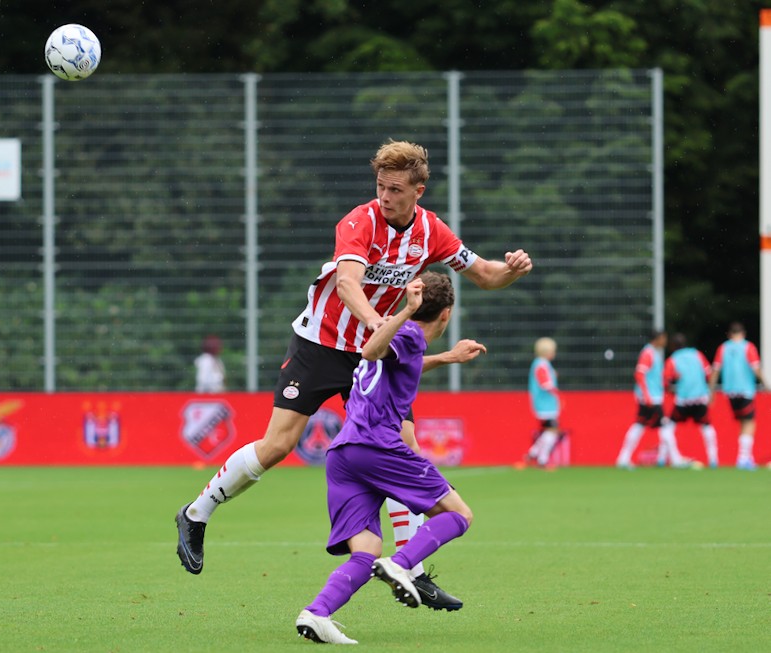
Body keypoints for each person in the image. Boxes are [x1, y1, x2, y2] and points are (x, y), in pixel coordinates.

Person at [175, 139, 531, 609]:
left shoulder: (432, 232)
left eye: (396, 189)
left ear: (419, 190)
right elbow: (346, 283)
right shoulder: (359, 222)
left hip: (370, 351)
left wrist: (512, 271)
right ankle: (197, 513)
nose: (385, 196)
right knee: (278, 445)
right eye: (381, 186)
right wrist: (376, 326)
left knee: (405, 448)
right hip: (320, 343)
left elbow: (484, 274)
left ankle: (413, 569)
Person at [296, 272, 476, 644]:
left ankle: (316, 614)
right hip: (376, 445)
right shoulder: (406, 332)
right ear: (446, 315)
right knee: (458, 514)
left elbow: (395, 360)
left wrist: (448, 357)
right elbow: (370, 352)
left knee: (365, 552)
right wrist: (407, 311)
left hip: (345, 454)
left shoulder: (405, 341)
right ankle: (402, 565)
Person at [657, 333, 718, 468]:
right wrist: (711, 393)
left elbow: (665, 382)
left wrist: (673, 389)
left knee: (667, 428)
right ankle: (713, 460)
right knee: (707, 427)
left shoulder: (672, 360)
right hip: (700, 398)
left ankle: (662, 459)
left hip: (683, 400)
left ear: (673, 346)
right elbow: (709, 373)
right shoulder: (697, 355)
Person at [709, 322, 764, 470]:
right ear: (743, 333)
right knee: (749, 422)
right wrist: (766, 383)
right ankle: (743, 458)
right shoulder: (748, 347)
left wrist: (711, 391)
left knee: (743, 422)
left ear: (729, 334)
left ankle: (746, 457)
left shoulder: (723, 348)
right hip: (745, 390)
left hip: (730, 392)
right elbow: (756, 368)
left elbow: (715, 371)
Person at [615, 330, 669, 469]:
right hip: (651, 398)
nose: (665, 341)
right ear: (657, 339)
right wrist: (647, 395)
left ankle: (623, 458)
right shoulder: (648, 353)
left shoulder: (653, 352)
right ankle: (674, 458)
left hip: (651, 396)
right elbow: (639, 374)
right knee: (664, 426)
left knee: (639, 425)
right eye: (663, 338)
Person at [524, 337, 562, 467]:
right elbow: (545, 383)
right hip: (545, 404)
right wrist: (556, 393)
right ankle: (542, 459)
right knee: (553, 431)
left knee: (549, 431)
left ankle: (533, 453)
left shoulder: (541, 363)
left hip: (545, 403)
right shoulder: (542, 364)